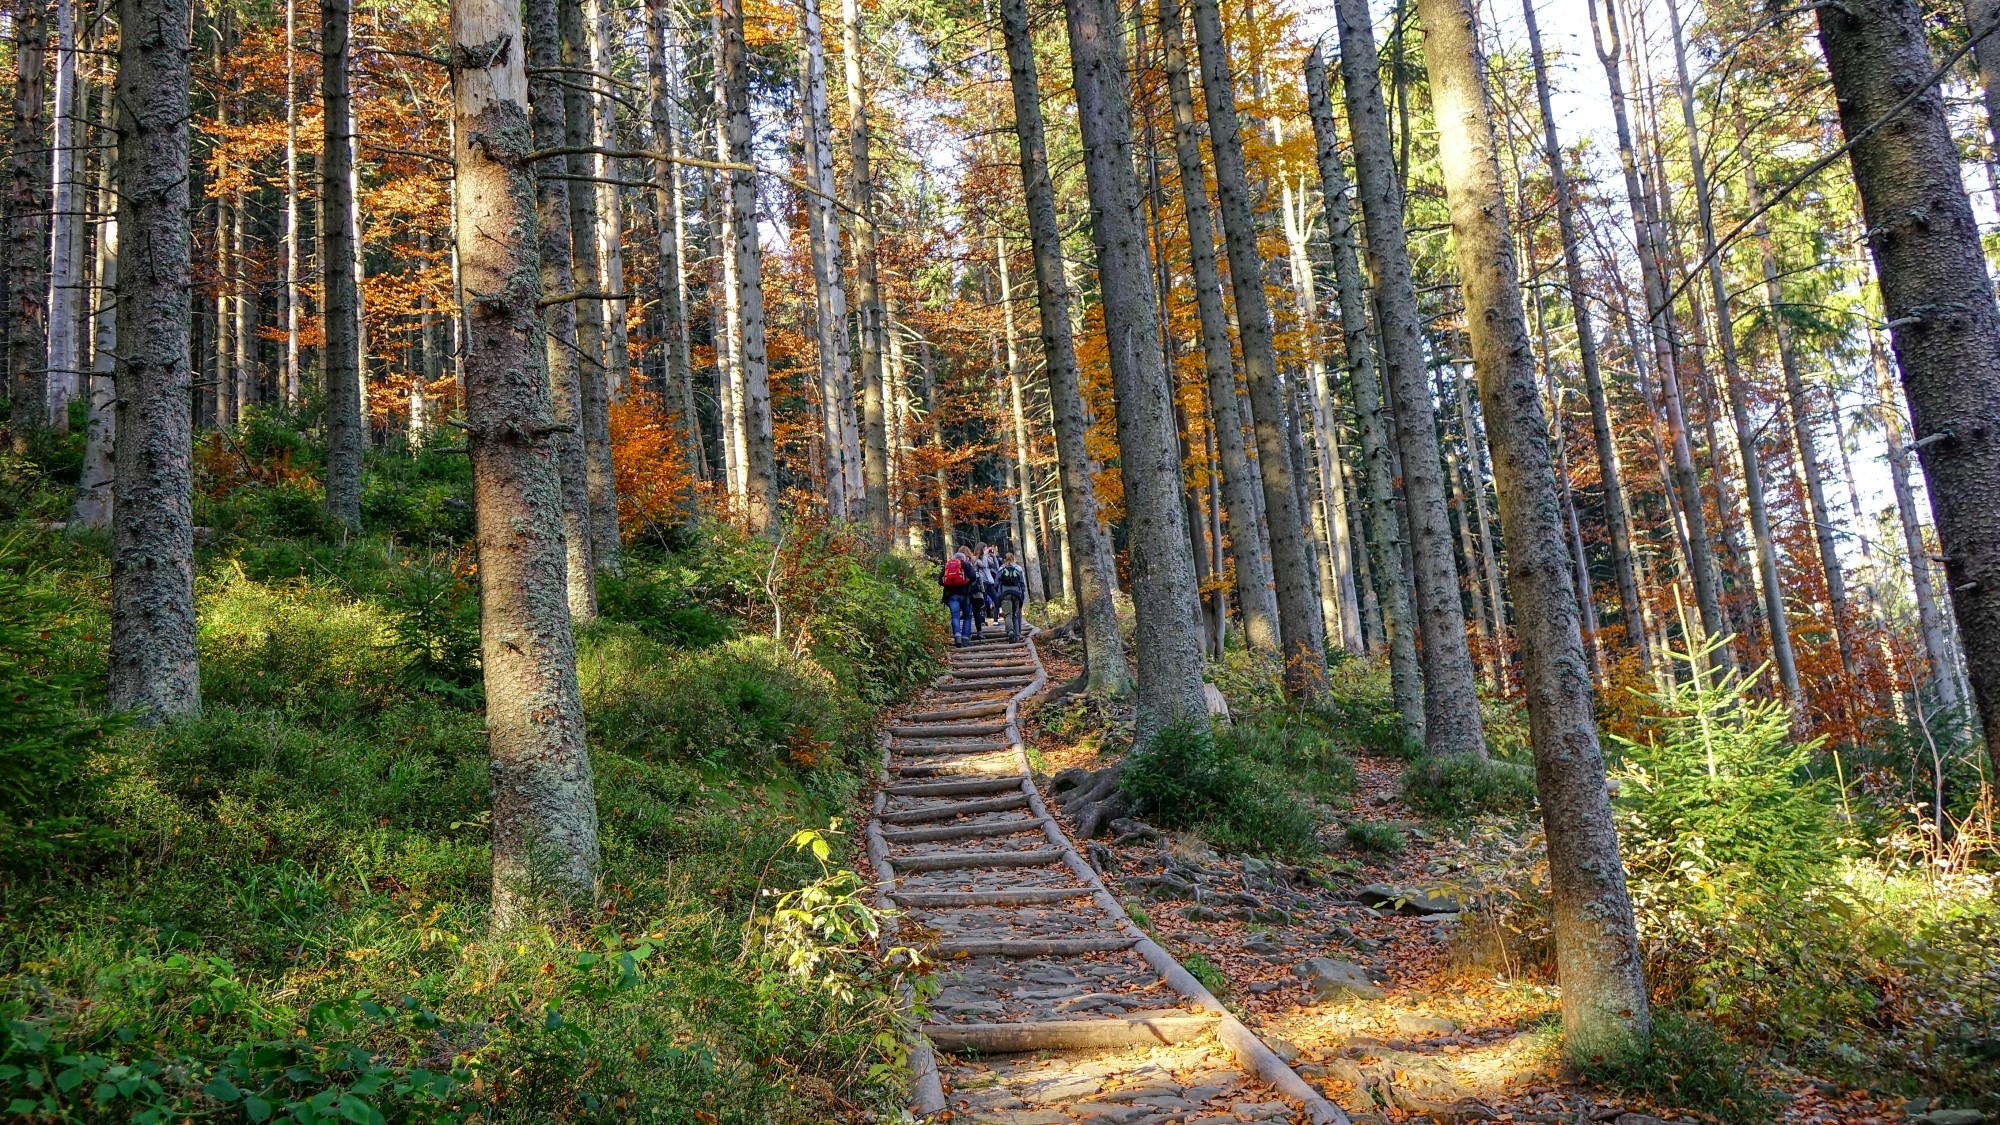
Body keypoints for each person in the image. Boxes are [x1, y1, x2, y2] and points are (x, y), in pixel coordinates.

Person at [940, 546, 977, 645]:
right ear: (964, 558)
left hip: (951, 595)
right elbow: (974, 577)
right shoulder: (966, 564)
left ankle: (957, 636)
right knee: (967, 616)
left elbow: (940, 581)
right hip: (965, 595)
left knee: (955, 616)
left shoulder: (947, 565)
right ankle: (965, 638)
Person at [996, 551, 1028, 641]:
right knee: (1014, 615)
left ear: (1004, 559)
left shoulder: (1001, 569)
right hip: (1017, 594)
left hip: (1005, 594)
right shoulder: (1018, 568)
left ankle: (1010, 632)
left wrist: (999, 595)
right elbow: (1022, 583)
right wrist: (1022, 595)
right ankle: (1017, 636)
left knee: (1008, 615)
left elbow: (996, 583)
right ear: (1013, 558)